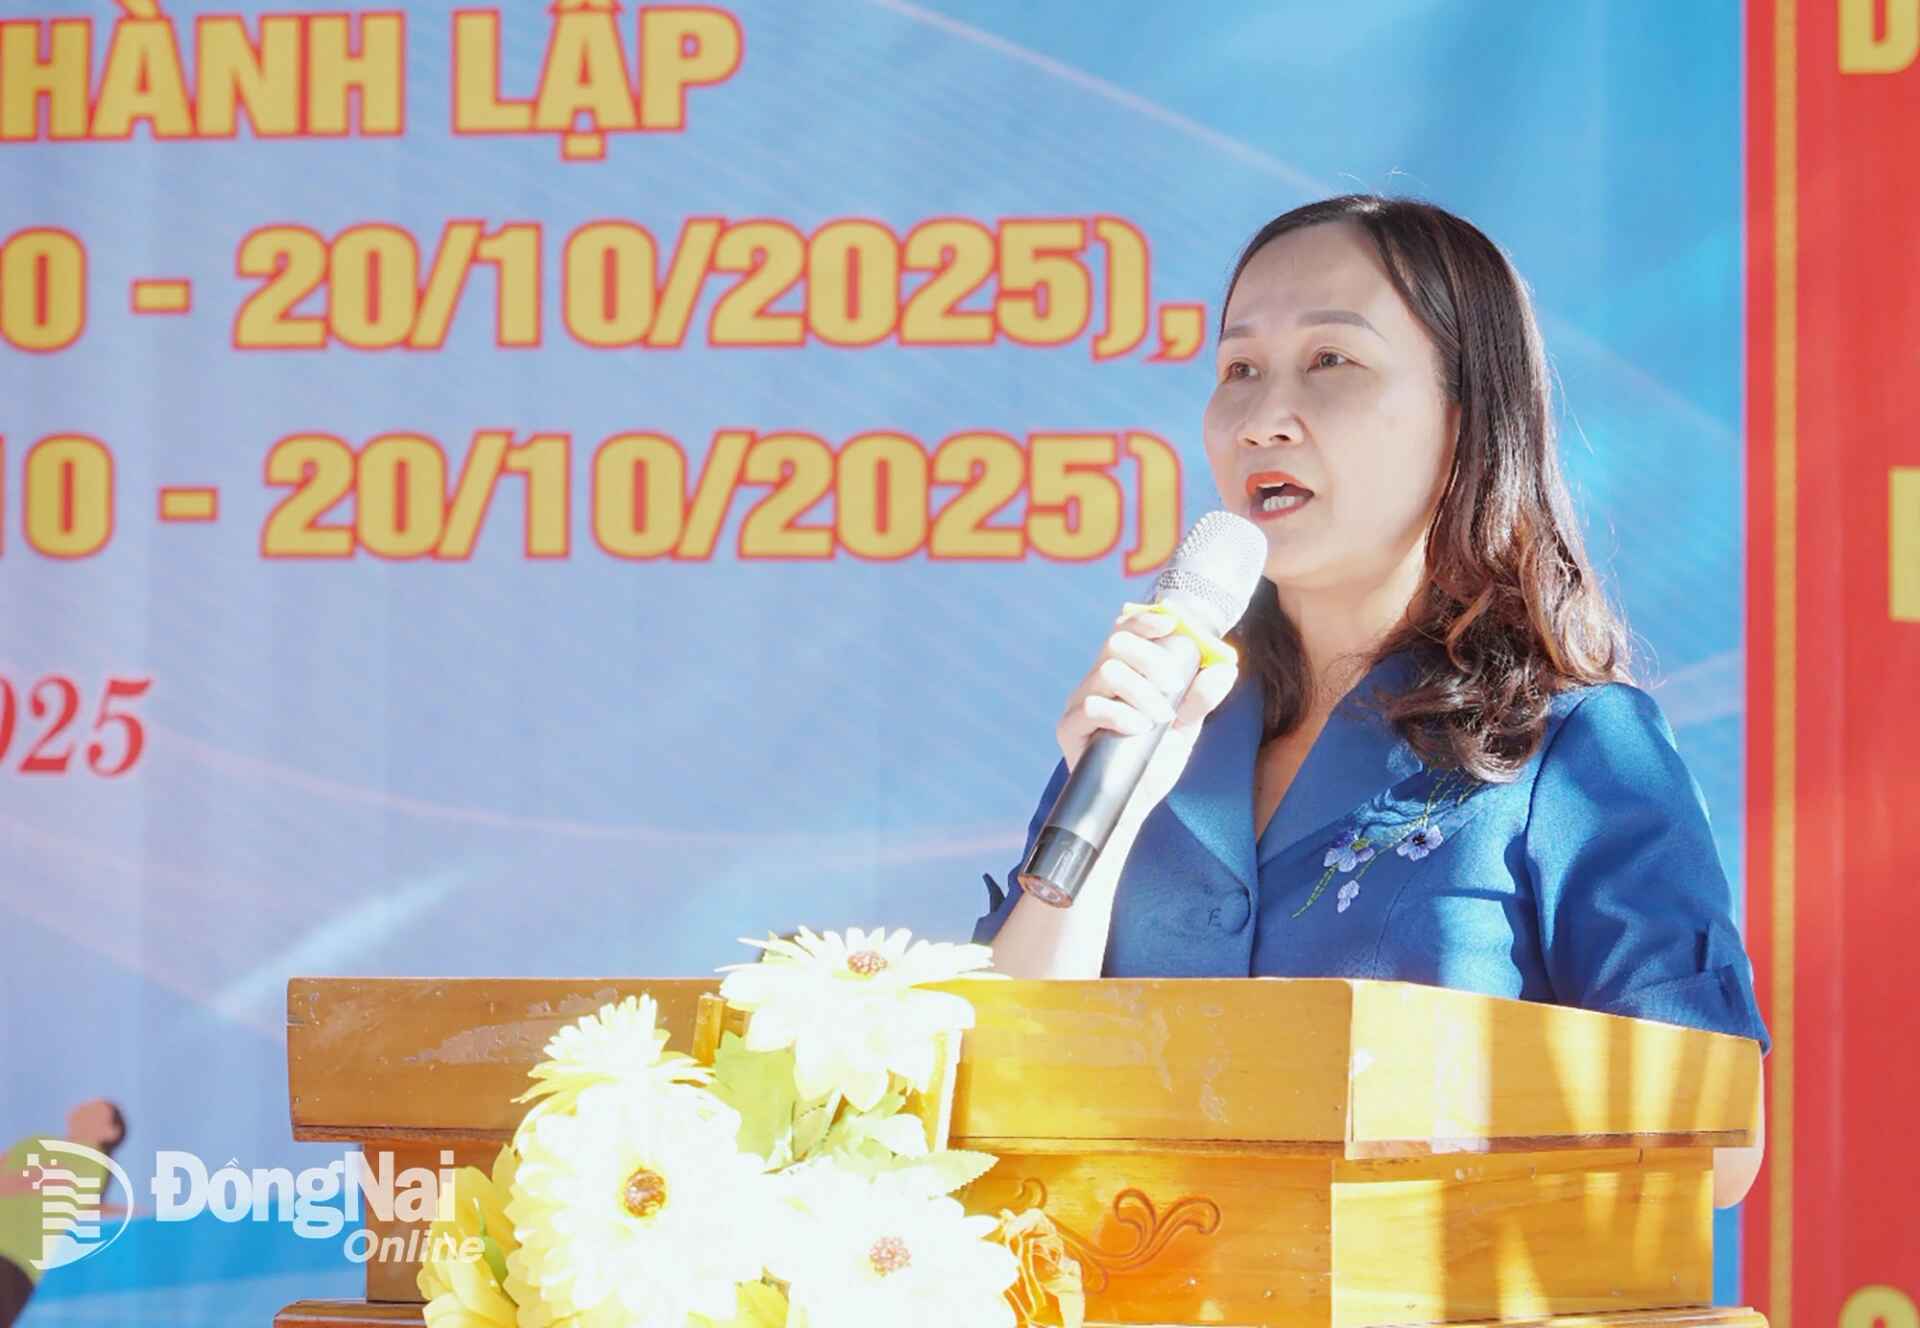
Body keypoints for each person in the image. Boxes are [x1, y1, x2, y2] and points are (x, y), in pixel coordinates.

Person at [973, 195, 1769, 1208]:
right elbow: (992, 1080)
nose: (1263, 415)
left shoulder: (1571, 747)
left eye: (1331, 362)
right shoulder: (1155, 723)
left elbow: (1716, 1147)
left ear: (1466, 413)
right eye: (1238, 368)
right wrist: (1117, 800)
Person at [0, 1099, 127, 1328]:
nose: (84, 1107)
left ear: (111, 1131)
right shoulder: (37, 1142)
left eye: (95, 1111)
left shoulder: (91, 1160)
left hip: (12, 1262)